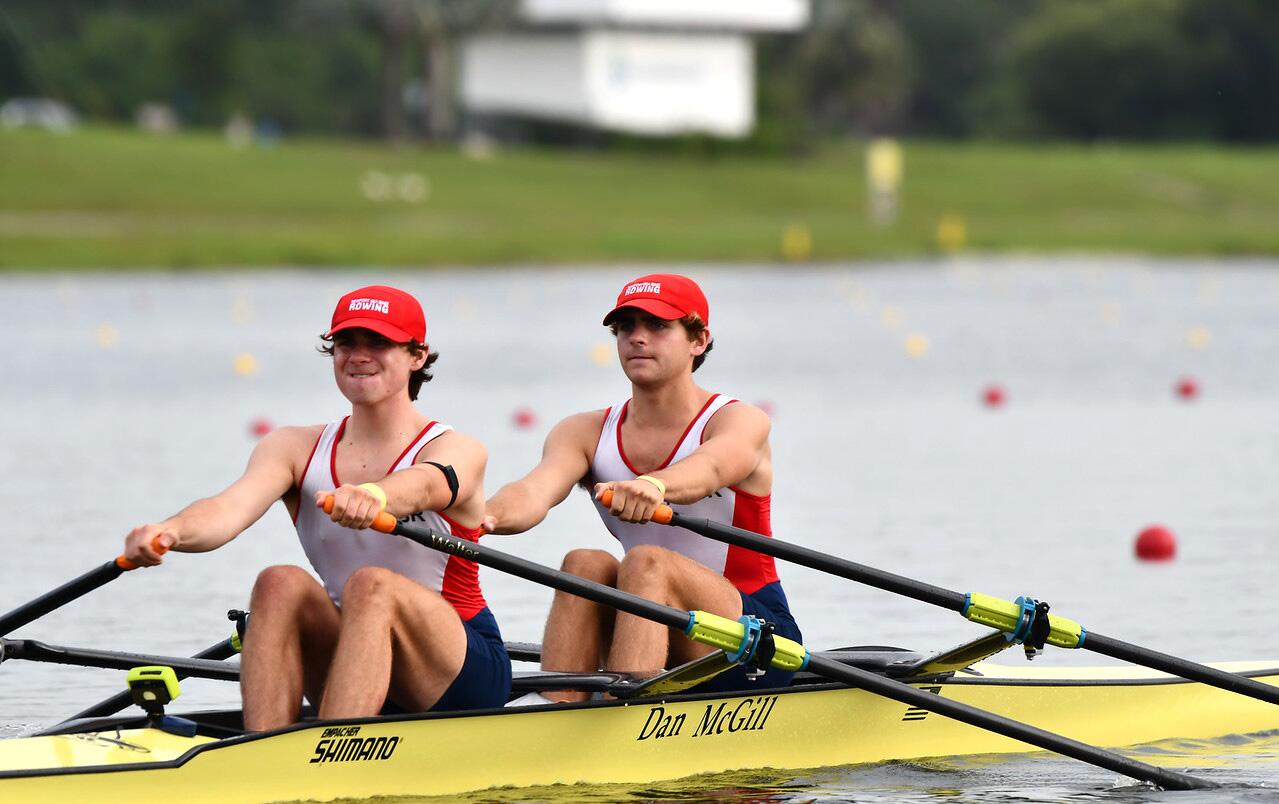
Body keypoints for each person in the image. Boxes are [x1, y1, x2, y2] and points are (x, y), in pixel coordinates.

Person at [122, 285, 510, 730]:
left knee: (372, 585)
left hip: (461, 671)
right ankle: (264, 750)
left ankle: (330, 754)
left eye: (378, 343)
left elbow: (426, 484)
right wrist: (169, 531)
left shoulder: (458, 447)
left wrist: (377, 496)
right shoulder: (293, 447)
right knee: (277, 582)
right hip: (357, 653)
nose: (359, 356)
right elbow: (227, 510)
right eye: (347, 343)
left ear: (417, 356)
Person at [484, 273, 800, 703]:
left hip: (756, 637)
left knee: (647, 561)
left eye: (657, 326)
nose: (637, 338)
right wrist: (483, 518)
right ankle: (558, 707)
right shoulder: (584, 431)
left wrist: (655, 484)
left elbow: (709, 468)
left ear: (698, 340)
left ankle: (622, 714)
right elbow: (533, 492)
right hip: (655, 626)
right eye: (626, 327)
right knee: (585, 563)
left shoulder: (738, 420)